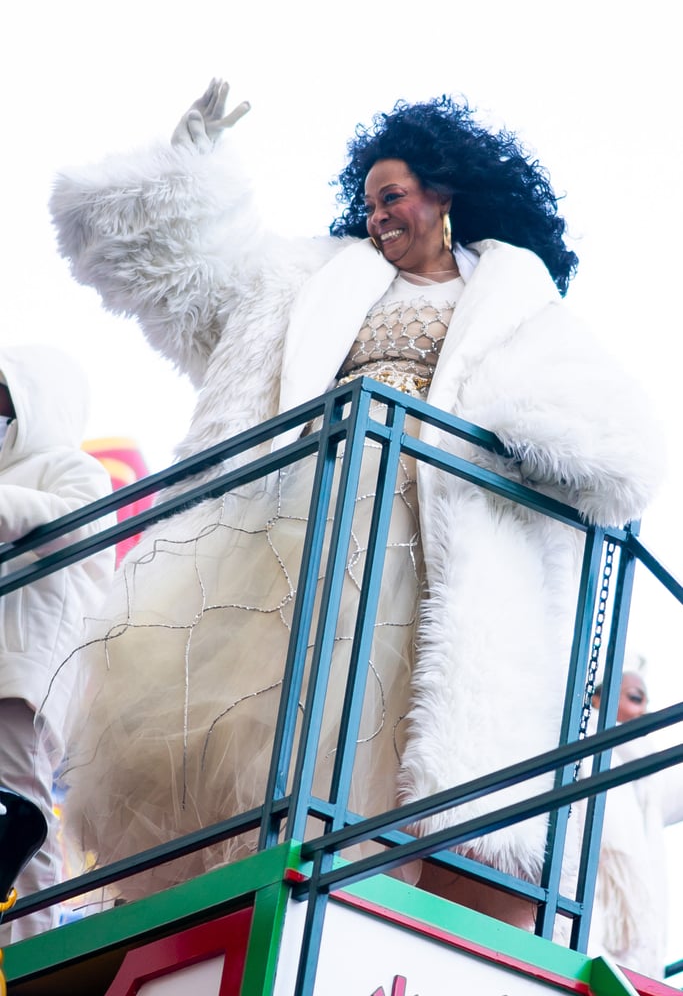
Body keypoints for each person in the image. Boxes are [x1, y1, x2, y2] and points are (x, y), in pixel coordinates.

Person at [48, 80, 662, 922]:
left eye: (393, 195)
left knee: (390, 715)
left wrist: (521, 429)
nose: (376, 215)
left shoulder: (520, 303)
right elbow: (186, 280)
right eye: (368, 200)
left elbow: (615, 448)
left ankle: (367, 886)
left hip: (430, 541)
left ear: (443, 195)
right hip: (302, 526)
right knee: (277, 715)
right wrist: (188, 172)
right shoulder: (320, 281)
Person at [0, 345, 114, 942]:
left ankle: (35, 942)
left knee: (22, 807)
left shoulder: (71, 467)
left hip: (23, 674)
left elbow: (83, 525)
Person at [587, 665, 683, 978]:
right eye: (634, 698)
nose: (644, 710)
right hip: (590, 921)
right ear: (599, 700)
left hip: (634, 943)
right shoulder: (585, 746)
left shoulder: (650, 774)